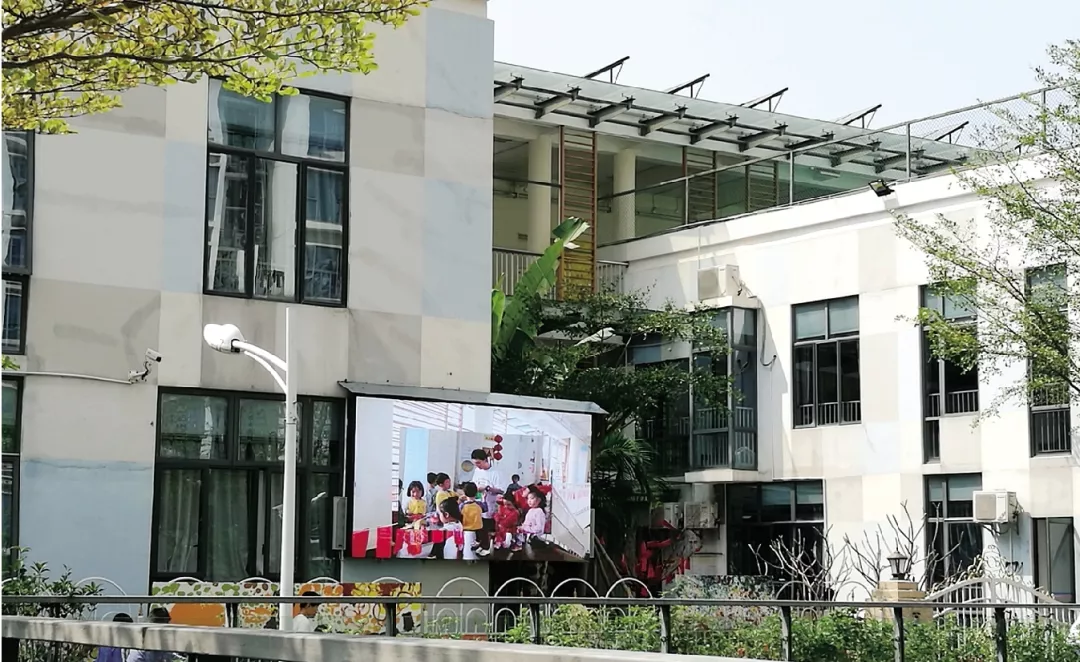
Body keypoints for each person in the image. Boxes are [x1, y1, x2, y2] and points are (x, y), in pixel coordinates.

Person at [469, 449, 503, 556]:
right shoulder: (477, 471)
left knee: (486, 526)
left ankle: (486, 547)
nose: (477, 466)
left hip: (490, 504)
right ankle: (482, 544)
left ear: (485, 460)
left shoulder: (496, 473)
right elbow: (474, 484)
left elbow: (501, 490)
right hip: (479, 503)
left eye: (479, 463)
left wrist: (487, 488)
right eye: (475, 463)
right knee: (479, 526)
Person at [459, 482, 484, 556]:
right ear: (476, 492)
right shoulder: (479, 504)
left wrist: (460, 500)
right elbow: (486, 509)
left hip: (466, 529)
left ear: (464, 493)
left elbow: (458, 513)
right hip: (478, 529)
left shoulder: (462, 505)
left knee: (467, 550)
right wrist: (484, 496)